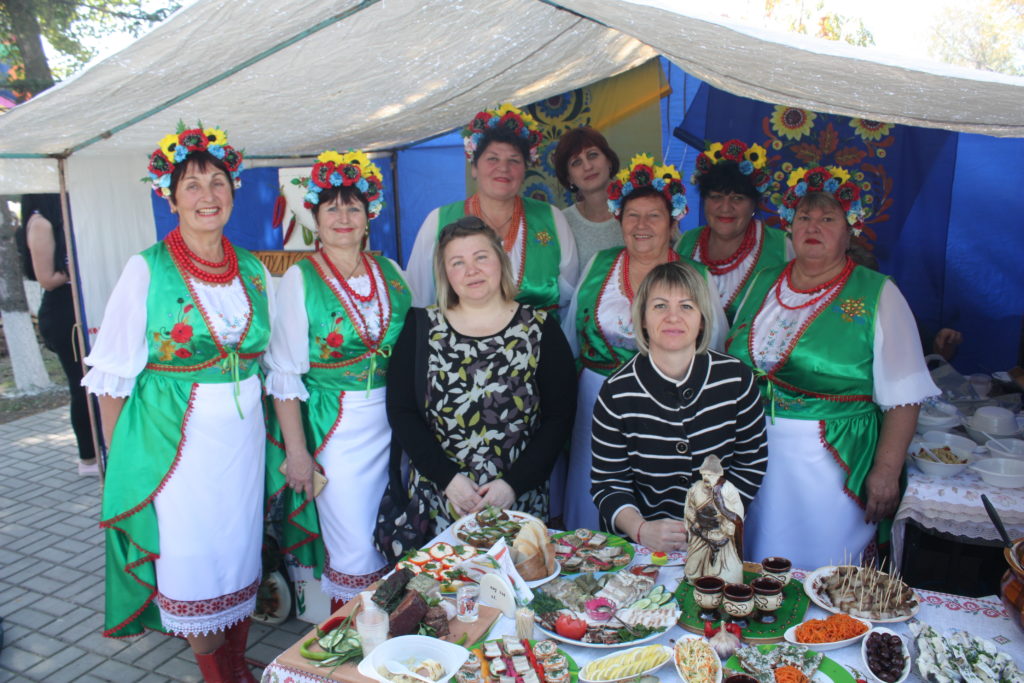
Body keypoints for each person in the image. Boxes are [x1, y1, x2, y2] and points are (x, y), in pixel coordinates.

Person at [83, 124, 268, 682]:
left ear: (233, 191)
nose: (208, 195)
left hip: (242, 445)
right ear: (170, 197)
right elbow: (111, 377)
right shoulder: (147, 268)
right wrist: (124, 461)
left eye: (218, 182)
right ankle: (217, 674)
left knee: (238, 555)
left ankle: (236, 664)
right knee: (193, 568)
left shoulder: (255, 270)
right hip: (176, 451)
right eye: (192, 185)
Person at [727, 165, 939, 570]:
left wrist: (887, 469)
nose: (813, 226)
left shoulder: (878, 294)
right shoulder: (764, 282)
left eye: (828, 218)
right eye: (804, 217)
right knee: (756, 563)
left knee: (820, 569)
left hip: (830, 464)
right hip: (753, 456)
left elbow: (905, 396)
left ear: (849, 230)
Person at [264, 150, 411, 613]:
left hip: (399, 424)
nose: (343, 217)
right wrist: (298, 452)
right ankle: (352, 650)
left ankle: (394, 643)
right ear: (316, 218)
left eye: (353, 207)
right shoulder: (300, 280)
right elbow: (284, 374)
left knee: (398, 538)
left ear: (369, 216)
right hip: (338, 429)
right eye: (332, 207)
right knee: (355, 548)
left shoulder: (392, 272)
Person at [559, 153, 730, 530]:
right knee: (600, 484)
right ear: (619, 220)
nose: (642, 225)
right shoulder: (599, 265)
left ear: (672, 224)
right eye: (632, 215)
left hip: (671, 403)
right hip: (597, 397)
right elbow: (572, 335)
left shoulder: (694, 275)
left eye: (654, 216)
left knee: (661, 487)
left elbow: (713, 347)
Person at [387, 217, 576, 534]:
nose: (471, 270)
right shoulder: (420, 326)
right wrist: (448, 479)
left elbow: (559, 417)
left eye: (481, 257)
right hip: (439, 501)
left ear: (500, 260)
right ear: (445, 272)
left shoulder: (540, 328)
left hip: (517, 505)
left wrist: (513, 485)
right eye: (457, 262)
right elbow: (402, 411)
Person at [590, 261, 767, 553]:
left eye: (686, 306)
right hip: (642, 546)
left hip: (718, 540)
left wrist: (716, 517)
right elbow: (608, 482)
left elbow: (751, 462)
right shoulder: (616, 392)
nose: (673, 317)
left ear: (702, 320)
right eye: (660, 306)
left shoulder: (736, 379)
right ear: (643, 319)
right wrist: (641, 529)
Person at [406, 104, 579, 313]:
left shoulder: (551, 218)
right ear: (474, 168)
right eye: (492, 159)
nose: (503, 168)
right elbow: (420, 299)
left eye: (514, 160)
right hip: (460, 343)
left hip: (540, 342)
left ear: (525, 170)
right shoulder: (439, 220)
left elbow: (568, 298)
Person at [18, 194, 98, 475]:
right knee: (82, 387)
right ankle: (88, 458)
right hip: (64, 314)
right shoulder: (40, 222)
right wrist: (78, 270)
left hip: (77, 307)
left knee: (94, 385)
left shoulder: (56, 219)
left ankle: (100, 449)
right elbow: (47, 279)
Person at [676, 139, 792, 323]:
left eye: (737, 198)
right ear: (704, 201)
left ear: (753, 203)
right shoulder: (687, 242)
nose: (725, 207)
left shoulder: (781, 247)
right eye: (716, 197)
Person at [552, 126, 622, 267]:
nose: (588, 166)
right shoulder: (562, 223)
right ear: (569, 177)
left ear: (608, 160)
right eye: (576, 162)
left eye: (592, 155)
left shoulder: (639, 209)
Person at [683, 455, 745, 585]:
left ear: (719, 475)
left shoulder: (729, 490)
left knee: (727, 573)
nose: (706, 478)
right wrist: (695, 521)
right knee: (692, 569)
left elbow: (736, 514)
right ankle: (695, 577)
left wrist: (726, 527)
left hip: (721, 534)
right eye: (704, 474)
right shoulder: (695, 489)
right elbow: (689, 508)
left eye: (710, 475)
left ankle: (724, 581)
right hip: (700, 532)